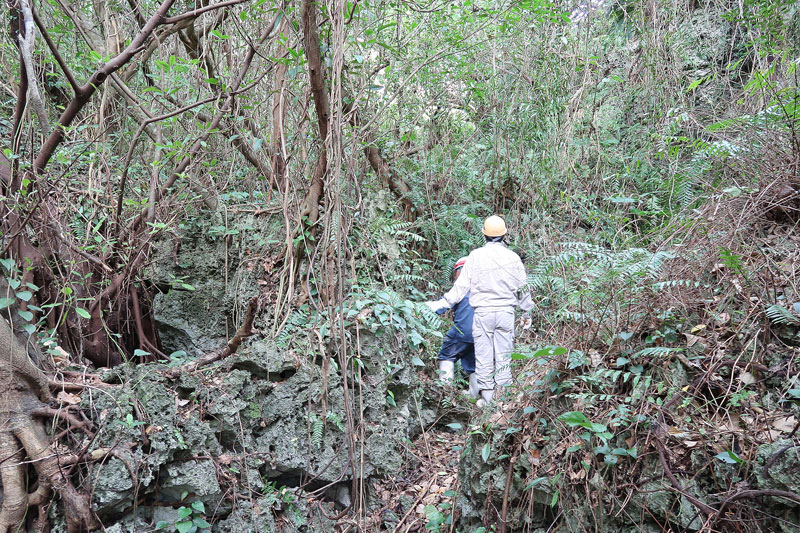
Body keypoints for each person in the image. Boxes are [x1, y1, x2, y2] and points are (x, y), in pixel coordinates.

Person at [426, 215, 533, 406]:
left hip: (483, 313)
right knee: (503, 357)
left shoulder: (475, 256)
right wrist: (526, 312)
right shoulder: (513, 257)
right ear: (504, 235)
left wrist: (441, 303)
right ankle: (503, 402)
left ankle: (488, 400)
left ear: (483, 234)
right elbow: (523, 288)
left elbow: (461, 288)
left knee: (483, 359)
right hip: (506, 313)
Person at [435, 257, 479, 399]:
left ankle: (445, 392)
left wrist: (422, 309)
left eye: (456, 272)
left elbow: (443, 306)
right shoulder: (483, 290)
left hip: (461, 332)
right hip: (481, 334)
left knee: (447, 355)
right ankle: (474, 396)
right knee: (475, 364)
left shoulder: (461, 288)